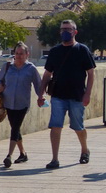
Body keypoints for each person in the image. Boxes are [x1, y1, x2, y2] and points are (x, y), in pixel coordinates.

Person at [40, 19, 96, 169]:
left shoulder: (82, 50)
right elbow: (47, 74)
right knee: (55, 126)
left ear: (75, 32)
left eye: (68, 29)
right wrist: (41, 94)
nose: (65, 32)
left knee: (78, 126)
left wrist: (88, 94)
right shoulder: (55, 51)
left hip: (77, 95)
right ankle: (54, 159)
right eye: (62, 29)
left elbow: (91, 74)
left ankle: (84, 150)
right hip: (58, 95)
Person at [0, 42, 44, 168]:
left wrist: (40, 97)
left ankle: (9, 156)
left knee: (15, 128)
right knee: (15, 128)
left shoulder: (31, 68)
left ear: (27, 54)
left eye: (21, 53)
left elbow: (38, 85)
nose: (18, 56)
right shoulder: (7, 67)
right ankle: (23, 153)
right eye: (16, 53)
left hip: (23, 104)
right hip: (8, 102)